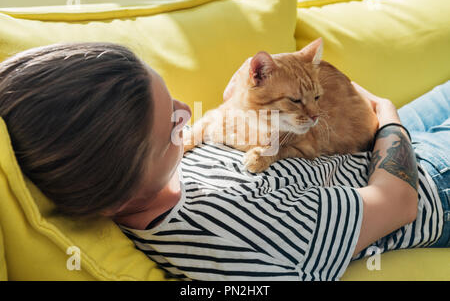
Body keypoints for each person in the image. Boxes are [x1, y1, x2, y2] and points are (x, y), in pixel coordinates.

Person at [0, 43, 448, 281]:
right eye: (172, 123)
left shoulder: (146, 177)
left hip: (369, 142)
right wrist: (387, 116)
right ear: (114, 191)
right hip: (428, 181)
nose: (187, 111)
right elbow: (398, 202)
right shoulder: (235, 231)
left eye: (170, 95)